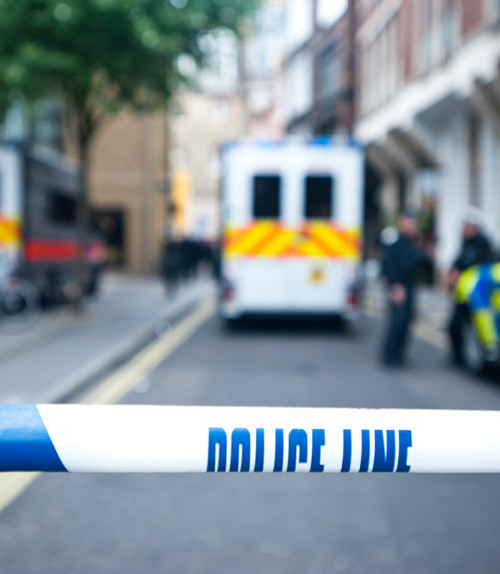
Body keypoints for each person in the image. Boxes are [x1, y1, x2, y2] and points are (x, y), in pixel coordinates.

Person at [380, 211, 430, 367]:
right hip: (399, 286)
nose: (413, 226)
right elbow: (387, 266)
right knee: (398, 321)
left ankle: (398, 354)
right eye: (410, 223)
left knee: (407, 320)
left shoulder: (413, 243)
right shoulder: (395, 243)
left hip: (409, 285)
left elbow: (420, 263)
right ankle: (390, 354)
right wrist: (394, 286)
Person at [447, 210, 494, 364]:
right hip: (464, 294)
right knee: (455, 327)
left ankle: (483, 355)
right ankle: (458, 358)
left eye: (466, 226)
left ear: (474, 227)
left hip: (478, 296)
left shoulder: (483, 245)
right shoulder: (467, 244)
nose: (463, 229)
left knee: (474, 328)